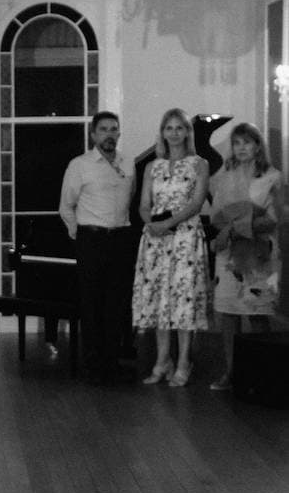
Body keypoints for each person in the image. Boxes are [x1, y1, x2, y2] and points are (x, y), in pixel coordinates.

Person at [131, 108, 210, 386]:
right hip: (155, 238)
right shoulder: (153, 166)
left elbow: (197, 203)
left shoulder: (199, 163)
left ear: (188, 132)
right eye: (169, 128)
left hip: (185, 237)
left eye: (180, 128)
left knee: (183, 298)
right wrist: (151, 223)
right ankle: (162, 360)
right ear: (162, 132)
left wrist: (169, 223)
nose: (174, 133)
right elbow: (142, 204)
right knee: (159, 299)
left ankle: (184, 361)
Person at [59, 112, 136, 384]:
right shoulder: (79, 165)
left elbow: (132, 199)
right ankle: (92, 367)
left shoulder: (129, 163)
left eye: (114, 129)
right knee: (91, 305)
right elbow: (66, 206)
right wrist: (78, 234)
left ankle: (112, 363)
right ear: (93, 135)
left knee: (116, 304)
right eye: (103, 129)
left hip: (121, 239)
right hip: (91, 240)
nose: (109, 134)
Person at [208, 122, 283, 391]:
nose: (241, 148)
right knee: (229, 313)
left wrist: (235, 227)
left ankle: (264, 374)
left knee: (258, 312)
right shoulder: (223, 175)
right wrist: (226, 226)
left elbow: (275, 219)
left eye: (247, 142)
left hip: (259, 254)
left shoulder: (273, 177)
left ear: (258, 146)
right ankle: (232, 372)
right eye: (237, 143)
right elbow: (217, 215)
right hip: (229, 254)